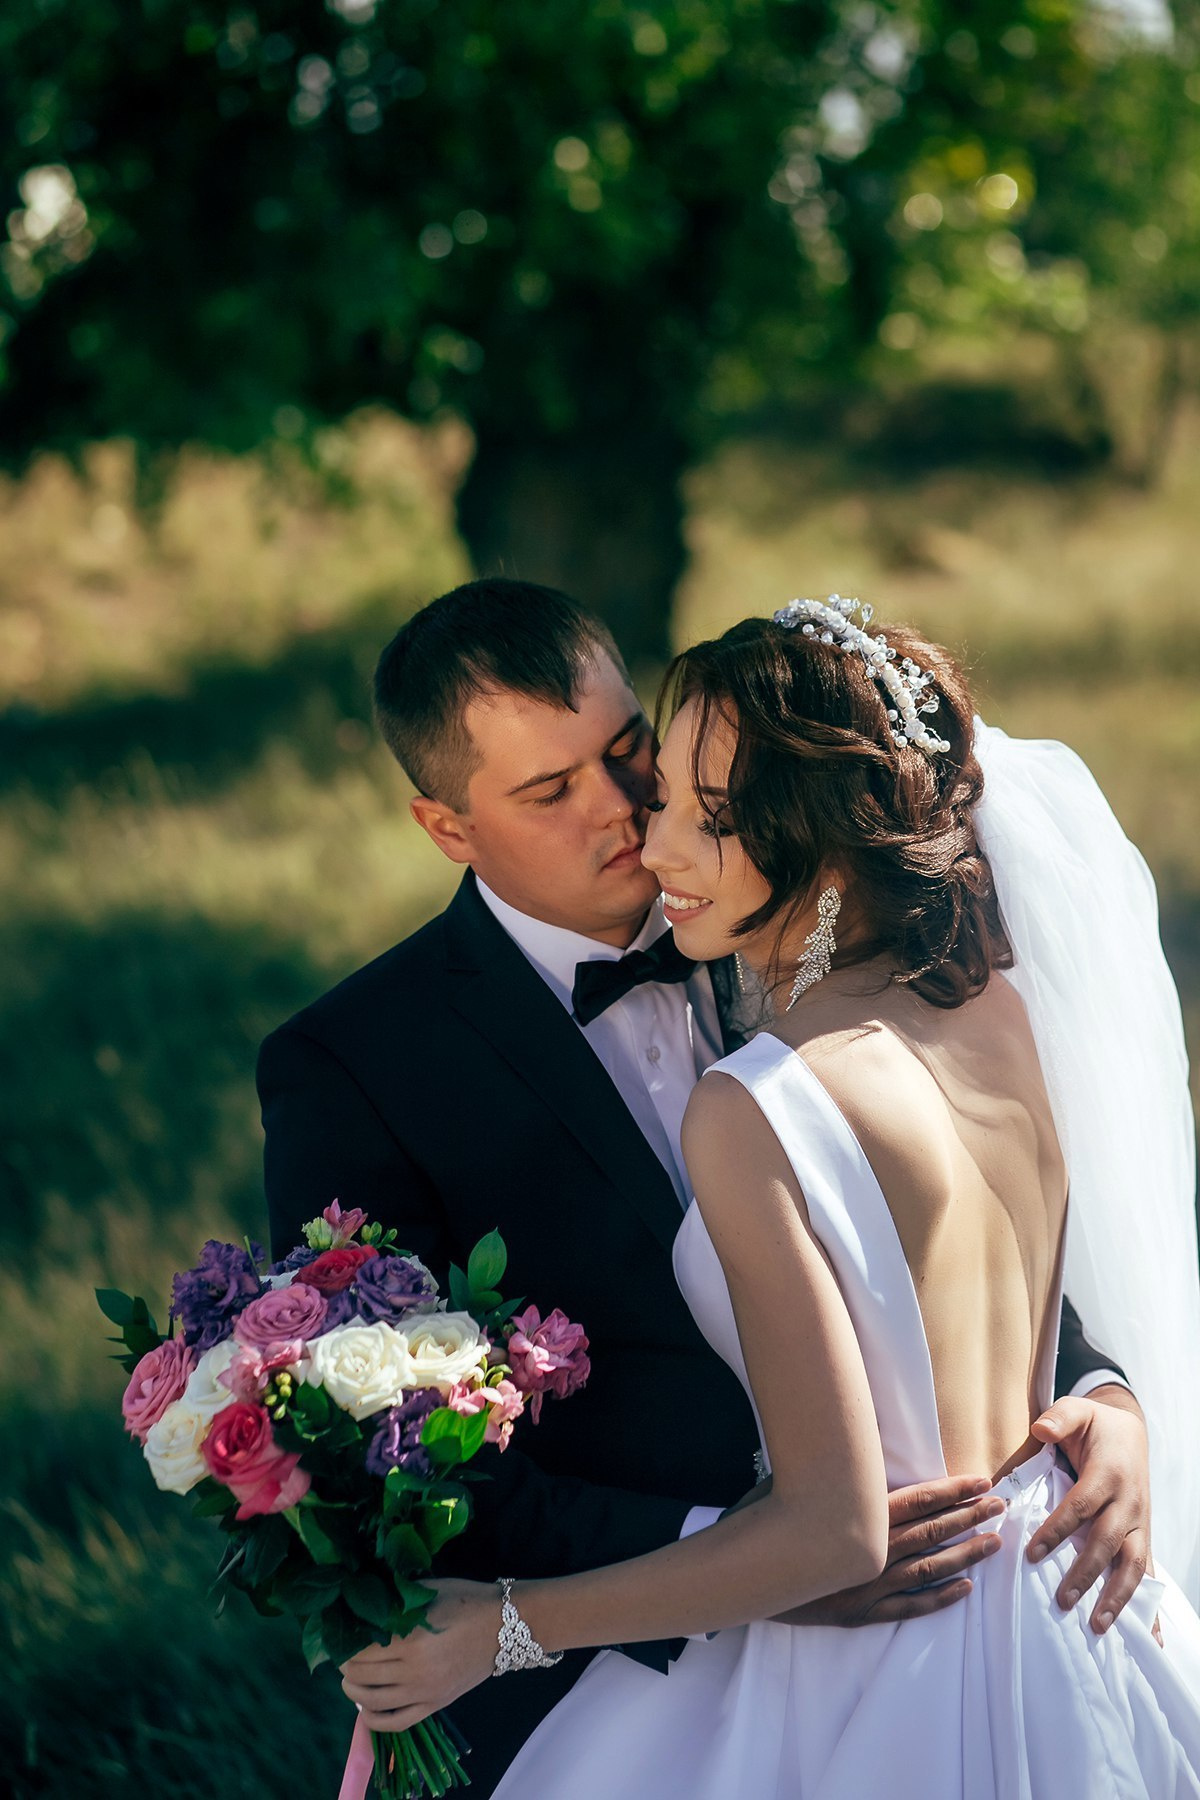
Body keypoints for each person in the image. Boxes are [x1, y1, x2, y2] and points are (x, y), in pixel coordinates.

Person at [259, 579, 1156, 1797]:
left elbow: (947, 1226)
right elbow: (408, 1460)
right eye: (549, 790)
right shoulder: (359, 1065)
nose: (629, 815)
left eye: (633, 756)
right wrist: (752, 1564)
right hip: (648, 1645)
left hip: (954, 1590)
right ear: (447, 827)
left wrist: (1103, 1394)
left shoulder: (786, 920)